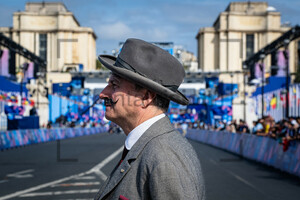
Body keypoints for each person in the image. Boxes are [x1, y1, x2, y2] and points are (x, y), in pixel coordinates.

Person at [94, 38, 205, 200]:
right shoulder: (154, 148)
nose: (103, 93)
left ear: (145, 97)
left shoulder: (165, 158)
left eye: (114, 85)